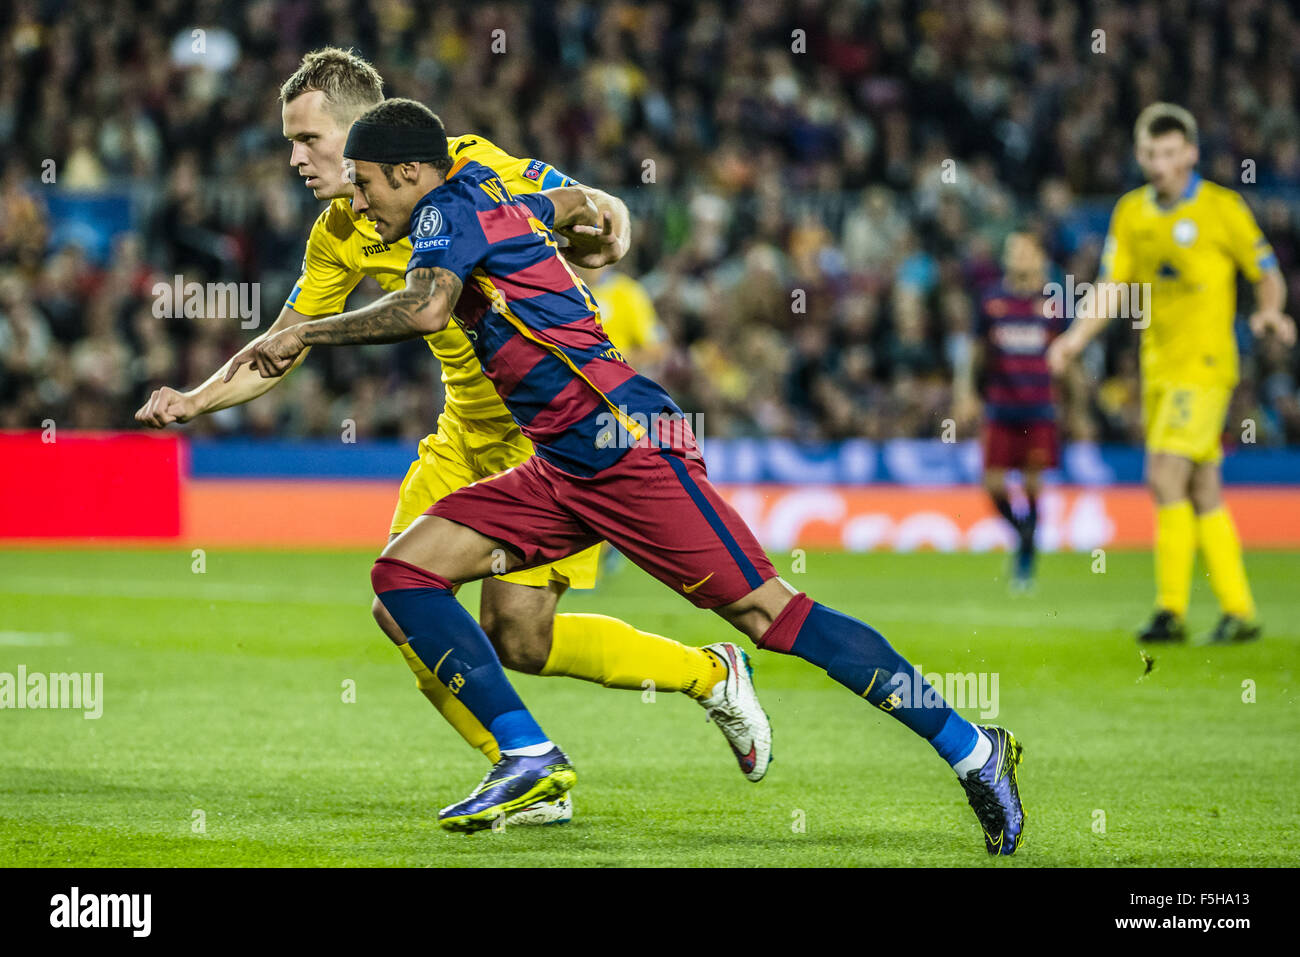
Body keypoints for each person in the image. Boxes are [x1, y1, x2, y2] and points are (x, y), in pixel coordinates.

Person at [230, 97, 1027, 852]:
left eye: (366, 186)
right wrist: (593, 225)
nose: (361, 205)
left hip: (627, 444)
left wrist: (305, 336)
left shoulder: (443, 211)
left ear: (407, 173)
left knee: (770, 615)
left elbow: (429, 309)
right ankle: (528, 754)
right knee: (404, 574)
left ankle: (971, 747)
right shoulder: (484, 192)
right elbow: (574, 209)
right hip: (561, 462)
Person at [136, 49, 772, 827]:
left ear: (357, 130)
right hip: (462, 437)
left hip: (554, 440)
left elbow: (592, 204)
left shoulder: (468, 165)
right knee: (402, 601)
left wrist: (608, 232)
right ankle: (525, 766)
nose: (294, 159)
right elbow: (285, 342)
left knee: (522, 639)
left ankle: (710, 672)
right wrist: (197, 400)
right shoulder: (339, 231)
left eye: (306, 139)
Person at [1049, 103, 1296, 644]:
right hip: (1157, 368)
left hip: (1206, 366)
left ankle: (1170, 610)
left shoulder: (1222, 208)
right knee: (1202, 484)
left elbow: (1267, 272)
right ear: (1139, 155)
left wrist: (1272, 311)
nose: (1159, 163)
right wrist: (1074, 337)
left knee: (1164, 478)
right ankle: (1240, 611)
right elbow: (1113, 288)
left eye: (1169, 153)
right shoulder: (1131, 214)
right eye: (1150, 153)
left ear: (1191, 153)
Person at [956, 232, 1064, 591]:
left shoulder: (1052, 303)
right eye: (1011, 250)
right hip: (1000, 406)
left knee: (1033, 485)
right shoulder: (990, 302)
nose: (1016, 256)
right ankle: (1025, 537)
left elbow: (1064, 355)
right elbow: (972, 352)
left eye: (1023, 250)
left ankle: (1026, 560)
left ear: (1037, 258)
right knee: (993, 484)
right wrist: (967, 393)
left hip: (1038, 408)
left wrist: (1073, 403)